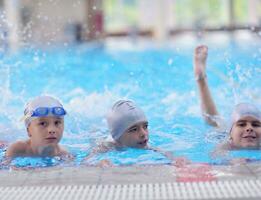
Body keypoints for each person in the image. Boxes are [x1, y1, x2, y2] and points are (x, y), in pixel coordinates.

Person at [194, 45, 261, 150]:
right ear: (231, 135)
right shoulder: (225, 145)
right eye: (242, 124)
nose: (249, 128)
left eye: (256, 125)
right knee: (214, 122)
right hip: (225, 133)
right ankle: (201, 79)